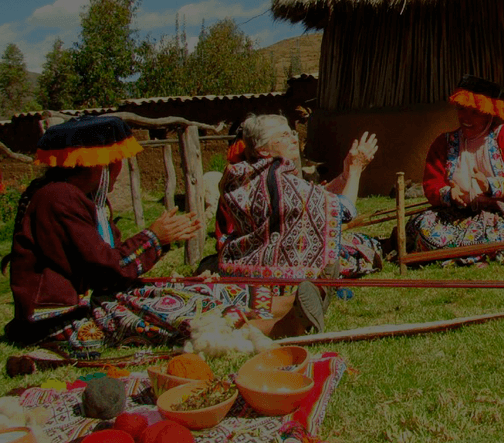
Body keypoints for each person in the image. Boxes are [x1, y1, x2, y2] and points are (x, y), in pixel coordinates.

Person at [0, 115, 314, 357]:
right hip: (61, 321)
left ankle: (284, 303)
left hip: (96, 298)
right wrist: (155, 237)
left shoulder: (82, 201)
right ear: (102, 165)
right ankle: (273, 325)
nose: (119, 170)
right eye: (116, 163)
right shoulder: (58, 199)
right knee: (165, 310)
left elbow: (111, 263)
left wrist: (158, 240)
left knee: (178, 288)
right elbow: (107, 267)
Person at [216, 114, 381, 327]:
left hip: (240, 271)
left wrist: (345, 175)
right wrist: (357, 169)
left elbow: (315, 199)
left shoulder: (245, 177)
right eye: (284, 135)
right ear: (263, 149)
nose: (294, 139)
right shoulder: (281, 182)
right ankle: (311, 296)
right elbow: (344, 210)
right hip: (280, 278)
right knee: (360, 250)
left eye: (292, 132)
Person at [406, 75, 504, 263]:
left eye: (474, 112)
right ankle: (477, 254)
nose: (465, 118)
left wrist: (489, 186)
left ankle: (459, 254)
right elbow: (431, 183)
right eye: (461, 109)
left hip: (500, 215)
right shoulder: (443, 143)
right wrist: (449, 193)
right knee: (424, 228)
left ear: (490, 112)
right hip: (455, 216)